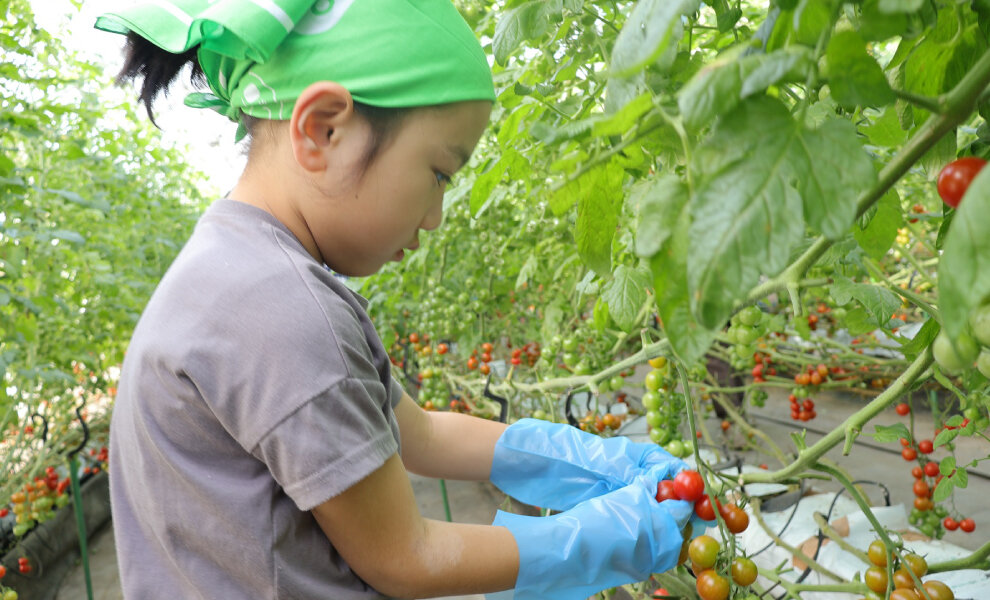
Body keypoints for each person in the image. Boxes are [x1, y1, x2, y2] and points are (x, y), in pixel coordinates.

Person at [96, 1, 698, 598]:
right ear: (322, 128)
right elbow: (406, 558)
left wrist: (597, 461)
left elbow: (421, 434)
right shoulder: (282, 311)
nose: (435, 217)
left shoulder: (241, 272)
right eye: (439, 173)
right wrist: (618, 536)